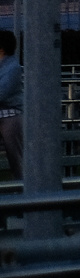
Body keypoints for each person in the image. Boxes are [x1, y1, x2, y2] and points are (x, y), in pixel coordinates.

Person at [0, 28, 20, 179]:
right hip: (6, 116)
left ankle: (24, 185)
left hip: (10, 117)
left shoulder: (13, 68)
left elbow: (2, 92)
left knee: (16, 158)